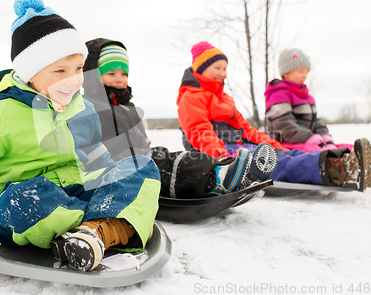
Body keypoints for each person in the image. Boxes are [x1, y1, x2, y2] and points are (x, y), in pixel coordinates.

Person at [0, 0, 161, 272]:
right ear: (29, 72)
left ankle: (94, 232)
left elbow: (94, 154)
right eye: (59, 70)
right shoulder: (5, 116)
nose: (73, 79)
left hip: (76, 195)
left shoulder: (82, 108)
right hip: (18, 208)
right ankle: (109, 222)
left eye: (77, 69)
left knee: (139, 167)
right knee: (26, 198)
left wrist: (111, 181)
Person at [177, 41, 371, 191]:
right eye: (218, 68)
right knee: (273, 163)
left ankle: (347, 161)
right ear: (201, 68)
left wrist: (274, 144)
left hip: (238, 147)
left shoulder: (225, 98)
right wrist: (221, 159)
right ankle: (338, 170)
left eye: (225, 68)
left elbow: (248, 130)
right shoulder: (192, 96)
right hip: (219, 154)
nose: (224, 74)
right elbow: (199, 130)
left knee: (282, 155)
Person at [82, 38, 279, 199]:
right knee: (168, 167)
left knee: (176, 157)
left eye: (124, 73)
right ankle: (219, 178)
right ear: (92, 76)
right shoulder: (88, 109)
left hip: (141, 159)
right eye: (111, 73)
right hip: (118, 170)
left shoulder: (128, 108)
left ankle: (222, 174)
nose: (120, 78)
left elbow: (141, 140)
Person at [264, 48, 371, 179]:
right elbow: (284, 124)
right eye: (300, 72)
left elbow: (315, 121)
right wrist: (309, 138)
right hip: (286, 143)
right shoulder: (278, 94)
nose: (305, 76)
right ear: (286, 72)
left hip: (310, 140)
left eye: (306, 72)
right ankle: (350, 169)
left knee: (342, 148)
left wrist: (325, 137)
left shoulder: (305, 96)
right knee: (324, 154)